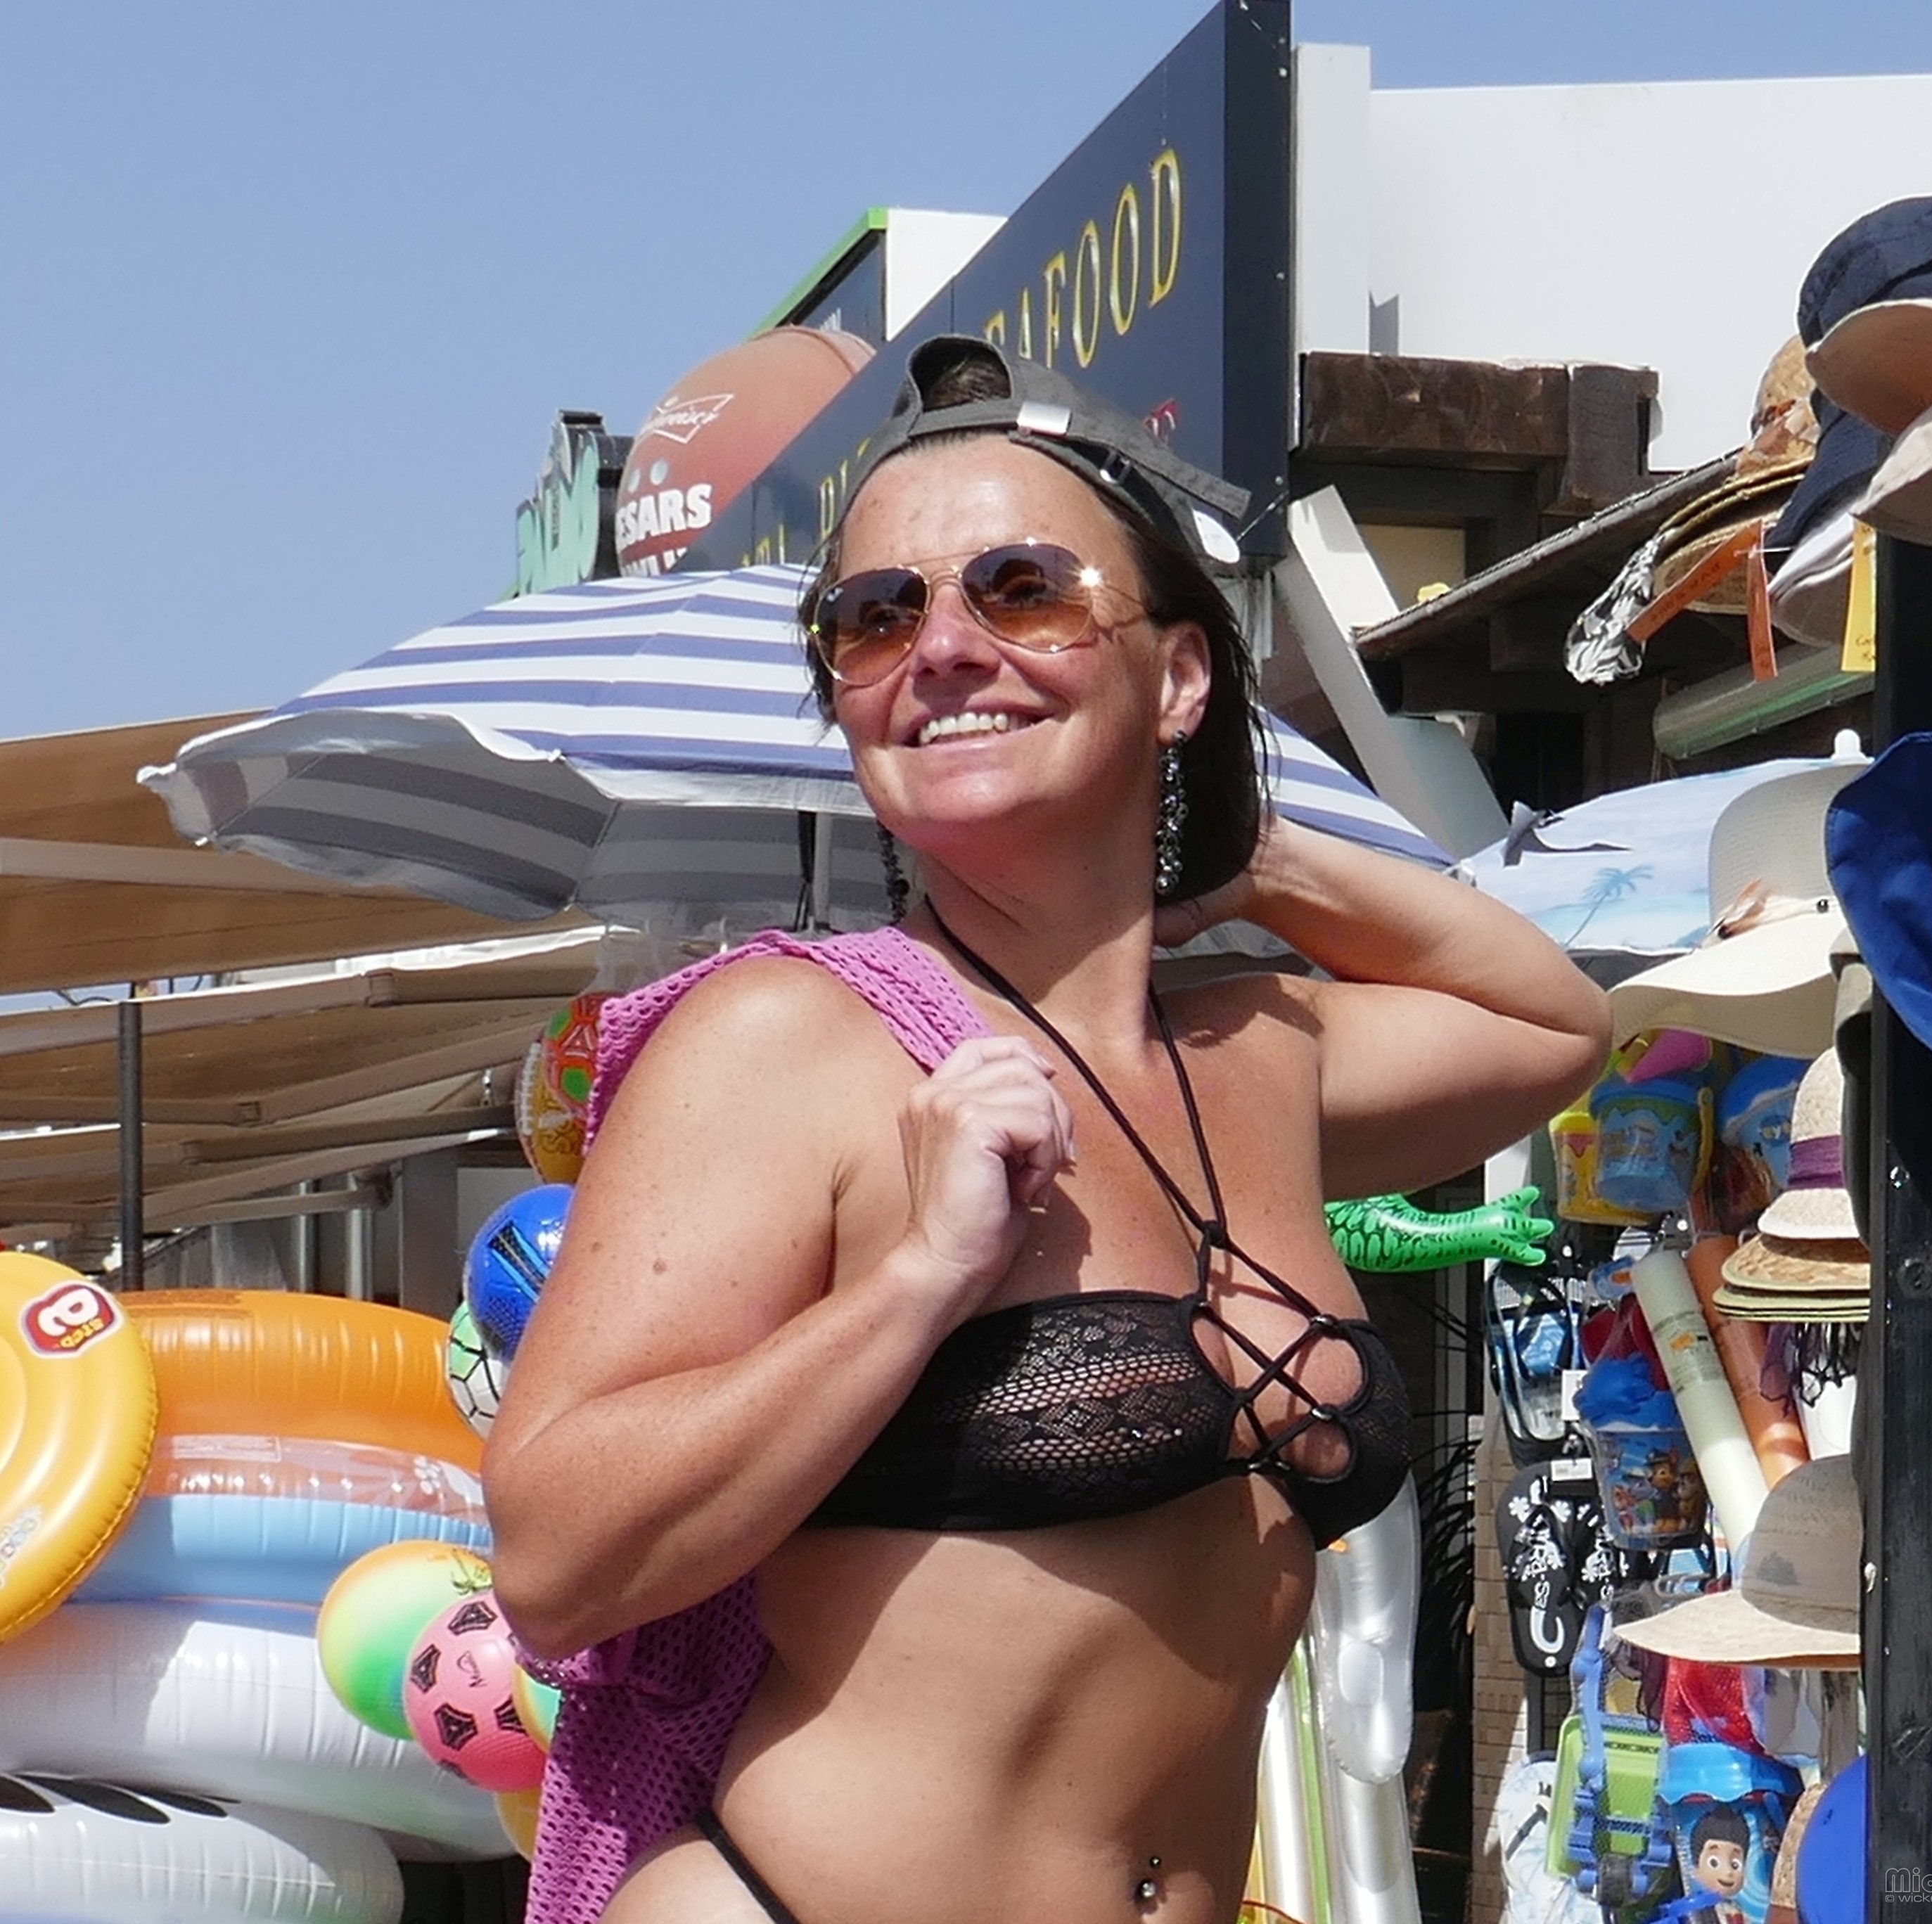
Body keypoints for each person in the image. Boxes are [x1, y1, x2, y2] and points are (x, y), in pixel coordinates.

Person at [485, 335, 1611, 1924]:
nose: (944, 646)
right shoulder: (791, 1042)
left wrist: (1252, 851)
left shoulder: (1254, 1050)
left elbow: (1553, 1024)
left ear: (1181, 675)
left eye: (1022, 590)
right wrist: (914, 1287)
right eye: (876, 616)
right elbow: (555, 1564)